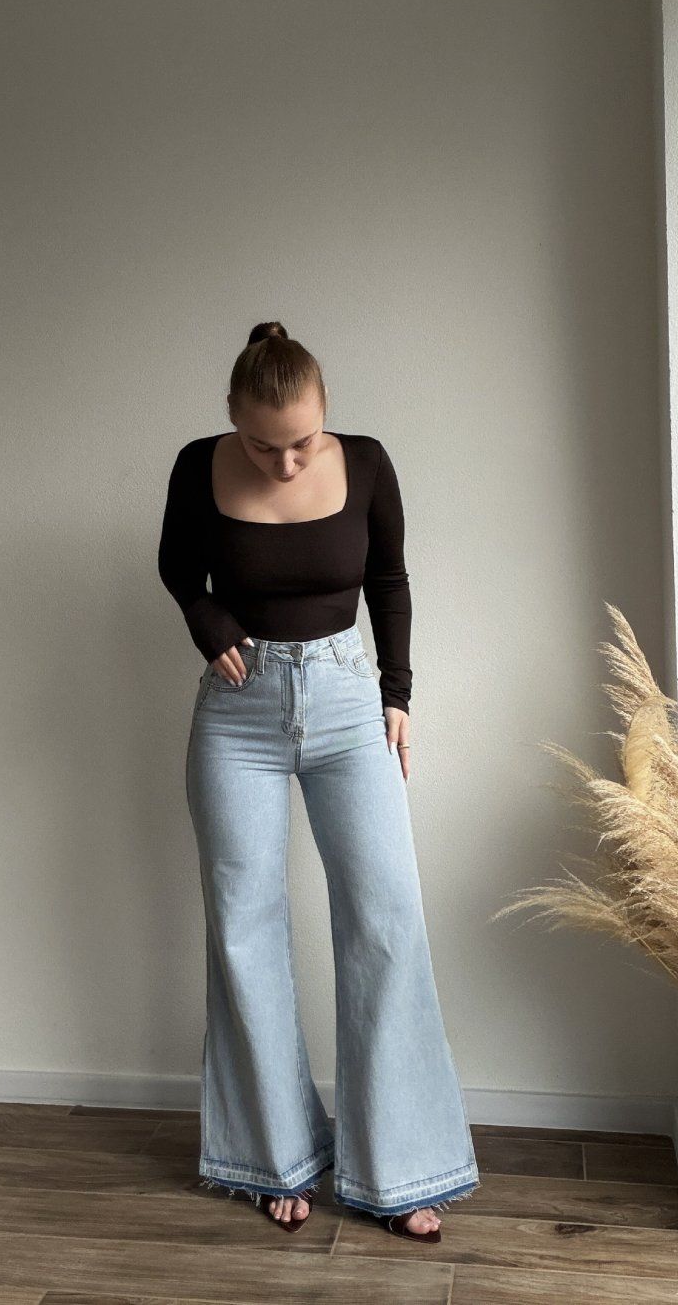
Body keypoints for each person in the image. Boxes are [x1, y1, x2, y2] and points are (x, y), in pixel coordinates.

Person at [157, 320, 479, 1243]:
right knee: (245, 925)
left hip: (346, 702)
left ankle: (401, 1168)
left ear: (325, 413)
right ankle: (278, 1159)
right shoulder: (197, 465)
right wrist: (207, 620)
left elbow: (390, 580)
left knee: (386, 917)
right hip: (237, 714)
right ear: (233, 416)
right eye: (265, 446)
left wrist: (398, 694)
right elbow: (178, 565)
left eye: (302, 441)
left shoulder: (366, 463)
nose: (287, 462)